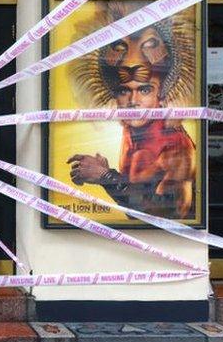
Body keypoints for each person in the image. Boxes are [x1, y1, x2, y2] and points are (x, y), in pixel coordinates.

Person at [67, 28, 197, 219]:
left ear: (161, 97)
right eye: (123, 91)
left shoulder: (176, 149)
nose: (133, 100)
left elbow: (170, 212)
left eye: (144, 90)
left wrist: (106, 176)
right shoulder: (132, 128)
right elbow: (135, 195)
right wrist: (103, 171)